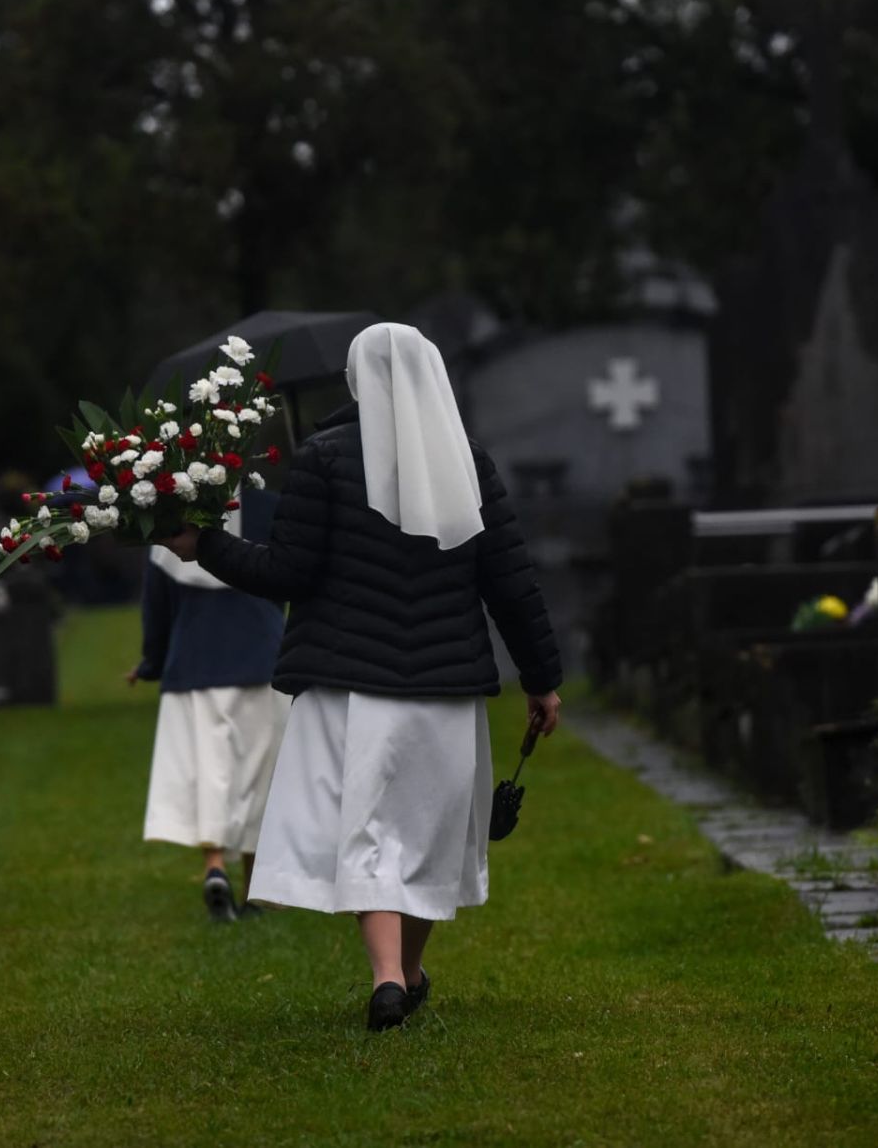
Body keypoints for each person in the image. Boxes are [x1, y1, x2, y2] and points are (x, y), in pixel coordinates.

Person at [161, 322, 562, 1031]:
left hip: (350, 683)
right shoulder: (467, 462)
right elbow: (511, 583)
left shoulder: (323, 459)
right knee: (428, 835)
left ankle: (388, 977)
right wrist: (542, 678)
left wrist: (209, 545)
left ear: (354, 379)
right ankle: (407, 970)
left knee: (369, 832)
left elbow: (287, 571)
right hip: (446, 686)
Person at [131, 488, 287, 922]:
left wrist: (151, 663)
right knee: (260, 772)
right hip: (261, 653)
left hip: (195, 660)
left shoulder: (170, 522)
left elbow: (157, 605)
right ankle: (257, 889)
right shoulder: (265, 509)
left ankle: (215, 867)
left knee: (209, 772)